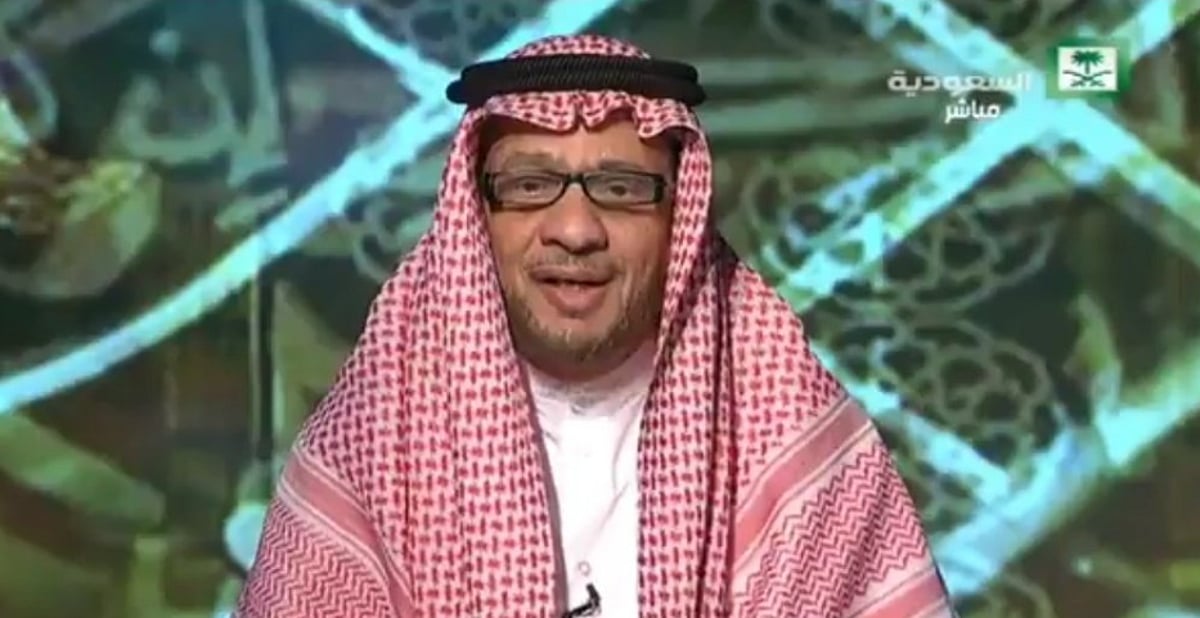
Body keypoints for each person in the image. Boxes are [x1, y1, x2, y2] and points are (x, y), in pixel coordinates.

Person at [236, 34, 954, 618]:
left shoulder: (790, 435)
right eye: (530, 186)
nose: (576, 230)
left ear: (678, 217)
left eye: (620, 189)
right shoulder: (369, 447)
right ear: (475, 216)